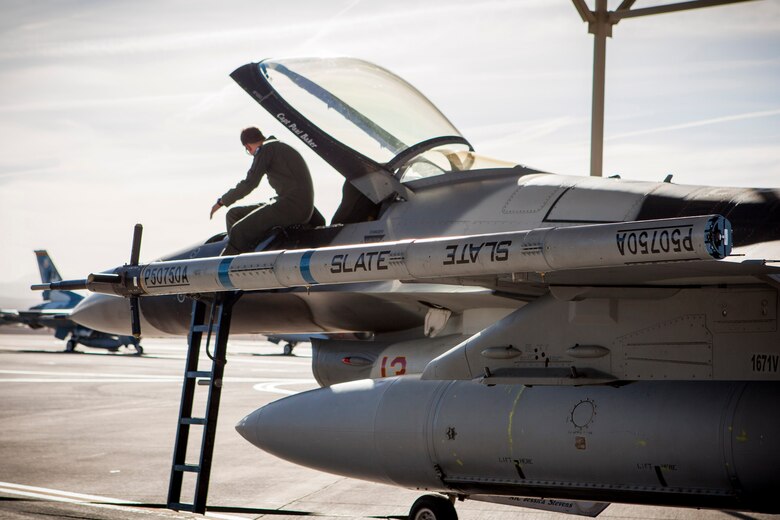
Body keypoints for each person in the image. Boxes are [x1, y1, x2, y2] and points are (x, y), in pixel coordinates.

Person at [210, 127, 314, 255]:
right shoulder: (276, 147)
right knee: (233, 214)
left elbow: (250, 183)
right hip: (294, 205)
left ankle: (226, 267)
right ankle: (247, 252)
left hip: (291, 206)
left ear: (248, 147)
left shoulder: (266, 149)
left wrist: (221, 202)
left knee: (238, 230)